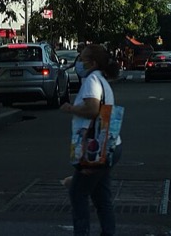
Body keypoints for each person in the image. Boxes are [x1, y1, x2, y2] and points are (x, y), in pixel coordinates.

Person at [59, 43, 122, 236]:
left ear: (93, 63)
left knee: (78, 193)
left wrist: (71, 108)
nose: (79, 62)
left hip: (94, 149)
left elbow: (92, 109)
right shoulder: (101, 80)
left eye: (82, 59)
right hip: (109, 145)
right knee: (101, 195)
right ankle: (108, 232)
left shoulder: (92, 81)